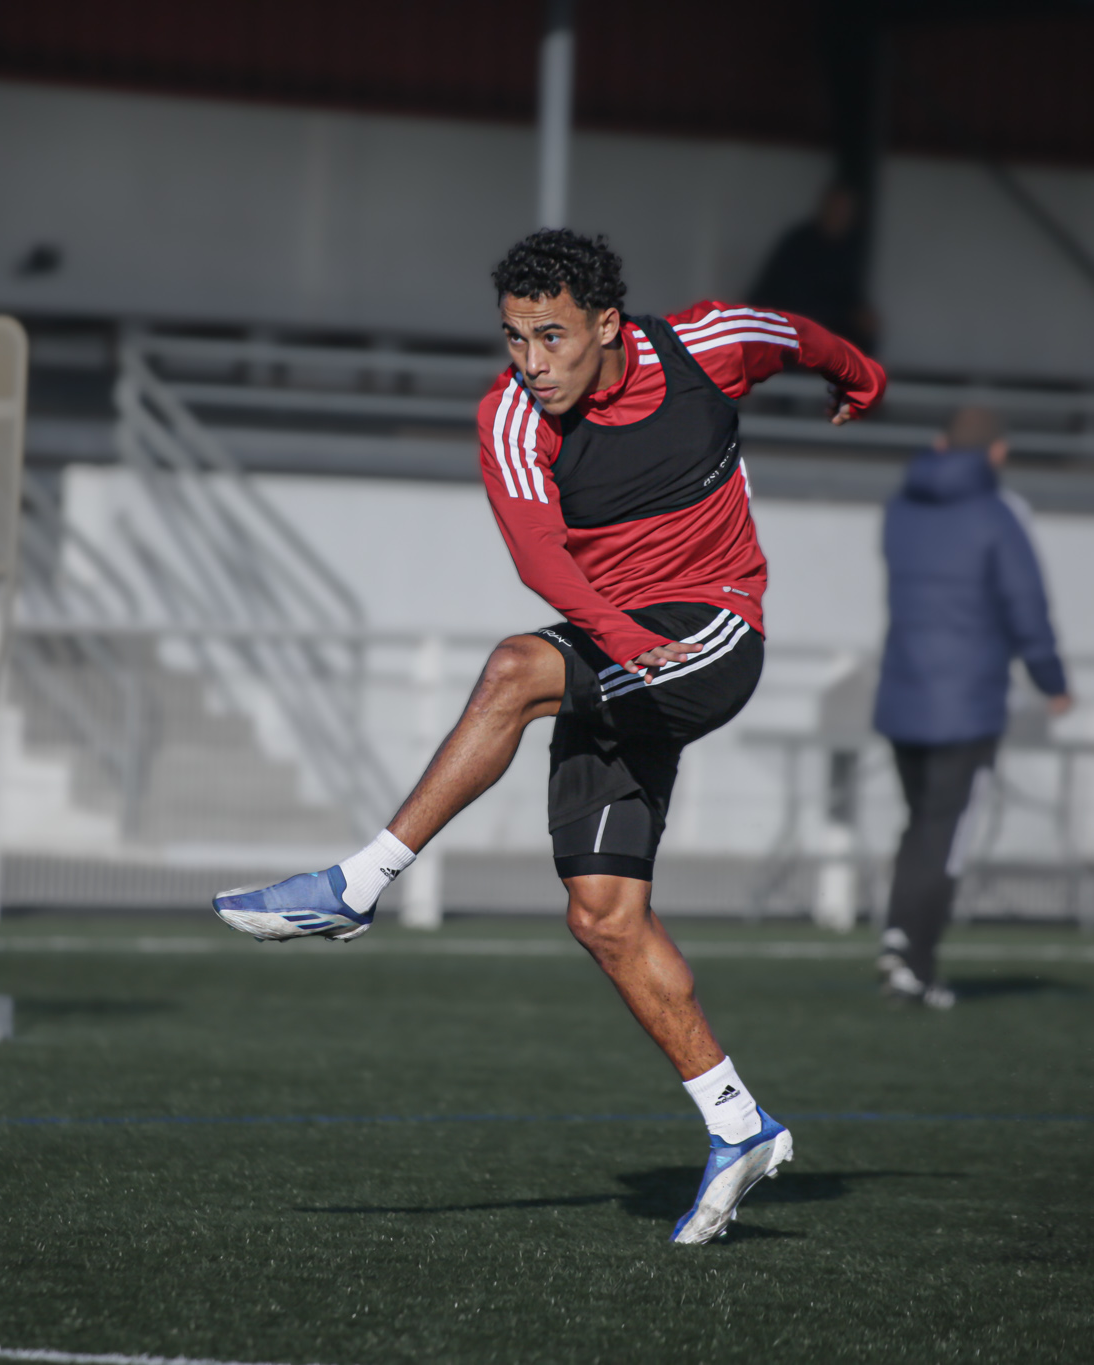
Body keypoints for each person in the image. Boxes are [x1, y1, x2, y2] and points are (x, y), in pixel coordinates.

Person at [214, 228, 885, 1244]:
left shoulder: (703, 345)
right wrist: (614, 638)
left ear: (607, 326)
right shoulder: (511, 419)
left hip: (711, 630)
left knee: (513, 668)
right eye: (514, 338)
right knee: (602, 917)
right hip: (616, 652)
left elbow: (792, 335)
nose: (530, 362)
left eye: (551, 337)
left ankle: (357, 885)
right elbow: (539, 557)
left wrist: (860, 376)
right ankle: (736, 1124)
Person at [872, 407, 1072, 1009]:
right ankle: (917, 963)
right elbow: (1025, 605)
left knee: (919, 826)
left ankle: (898, 935)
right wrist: (1051, 679)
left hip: (903, 692)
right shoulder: (999, 515)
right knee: (946, 835)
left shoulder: (899, 508)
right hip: (967, 701)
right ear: (999, 453)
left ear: (939, 444)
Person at [747, 183, 878, 353]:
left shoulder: (846, 250)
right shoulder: (799, 243)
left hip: (822, 325)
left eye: (845, 212)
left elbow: (848, 296)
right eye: (836, 209)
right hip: (784, 321)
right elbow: (796, 300)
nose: (839, 216)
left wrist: (860, 315)